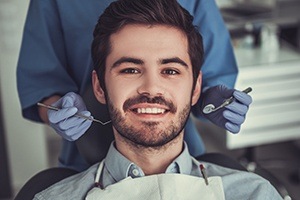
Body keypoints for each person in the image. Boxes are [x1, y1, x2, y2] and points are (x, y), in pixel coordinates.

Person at [33, 1, 280, 199]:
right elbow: (40, 79)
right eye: (130, 69)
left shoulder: (254, 193)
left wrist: (208, 98)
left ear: (195, 86)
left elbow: (209, 73)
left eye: (170, 70)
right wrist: (55, 107)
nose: (151, 88)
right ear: (99, 85)